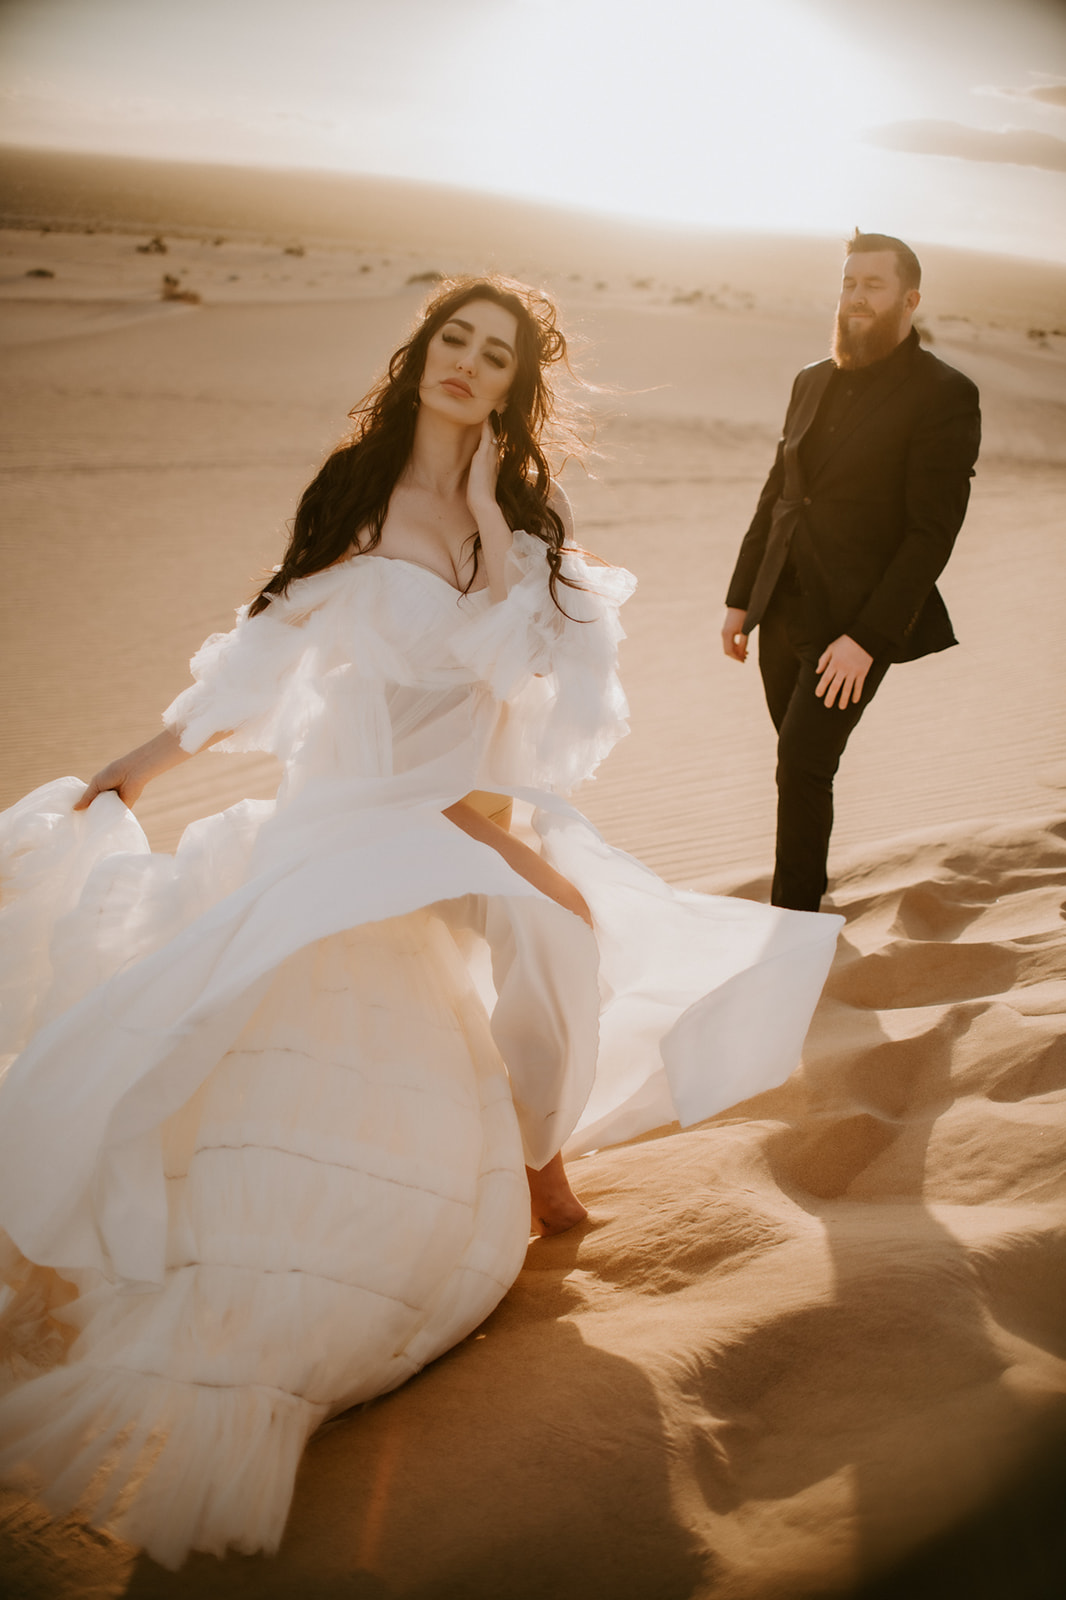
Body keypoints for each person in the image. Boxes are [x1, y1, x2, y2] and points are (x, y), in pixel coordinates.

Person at [0, 277, 842, 1569]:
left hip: (443, 807)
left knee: (560, 917)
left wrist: (499, 524)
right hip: (351, 805)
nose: (463, 363)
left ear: (515, 386)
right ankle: (523, 1176)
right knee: (436, 949)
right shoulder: (357, 486)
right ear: (424, 354)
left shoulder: (514, 525)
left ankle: (534, 1153)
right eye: (452, 339)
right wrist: (147, 760)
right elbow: (267, 643)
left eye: (492, 354)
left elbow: (539, 686)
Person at [721, 230, 982, 912]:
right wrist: (742, 595)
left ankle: (793, 927)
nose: (856, 296)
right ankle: (807, 904)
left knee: (802, 763)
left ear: (909, 299)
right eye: (848, 282)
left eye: (873, 284)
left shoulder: (945, 394)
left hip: (856, 625)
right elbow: (780, 490)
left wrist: (868, 638)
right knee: (799, 767)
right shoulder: (811, 379)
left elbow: (932, 533)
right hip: (781, 607)